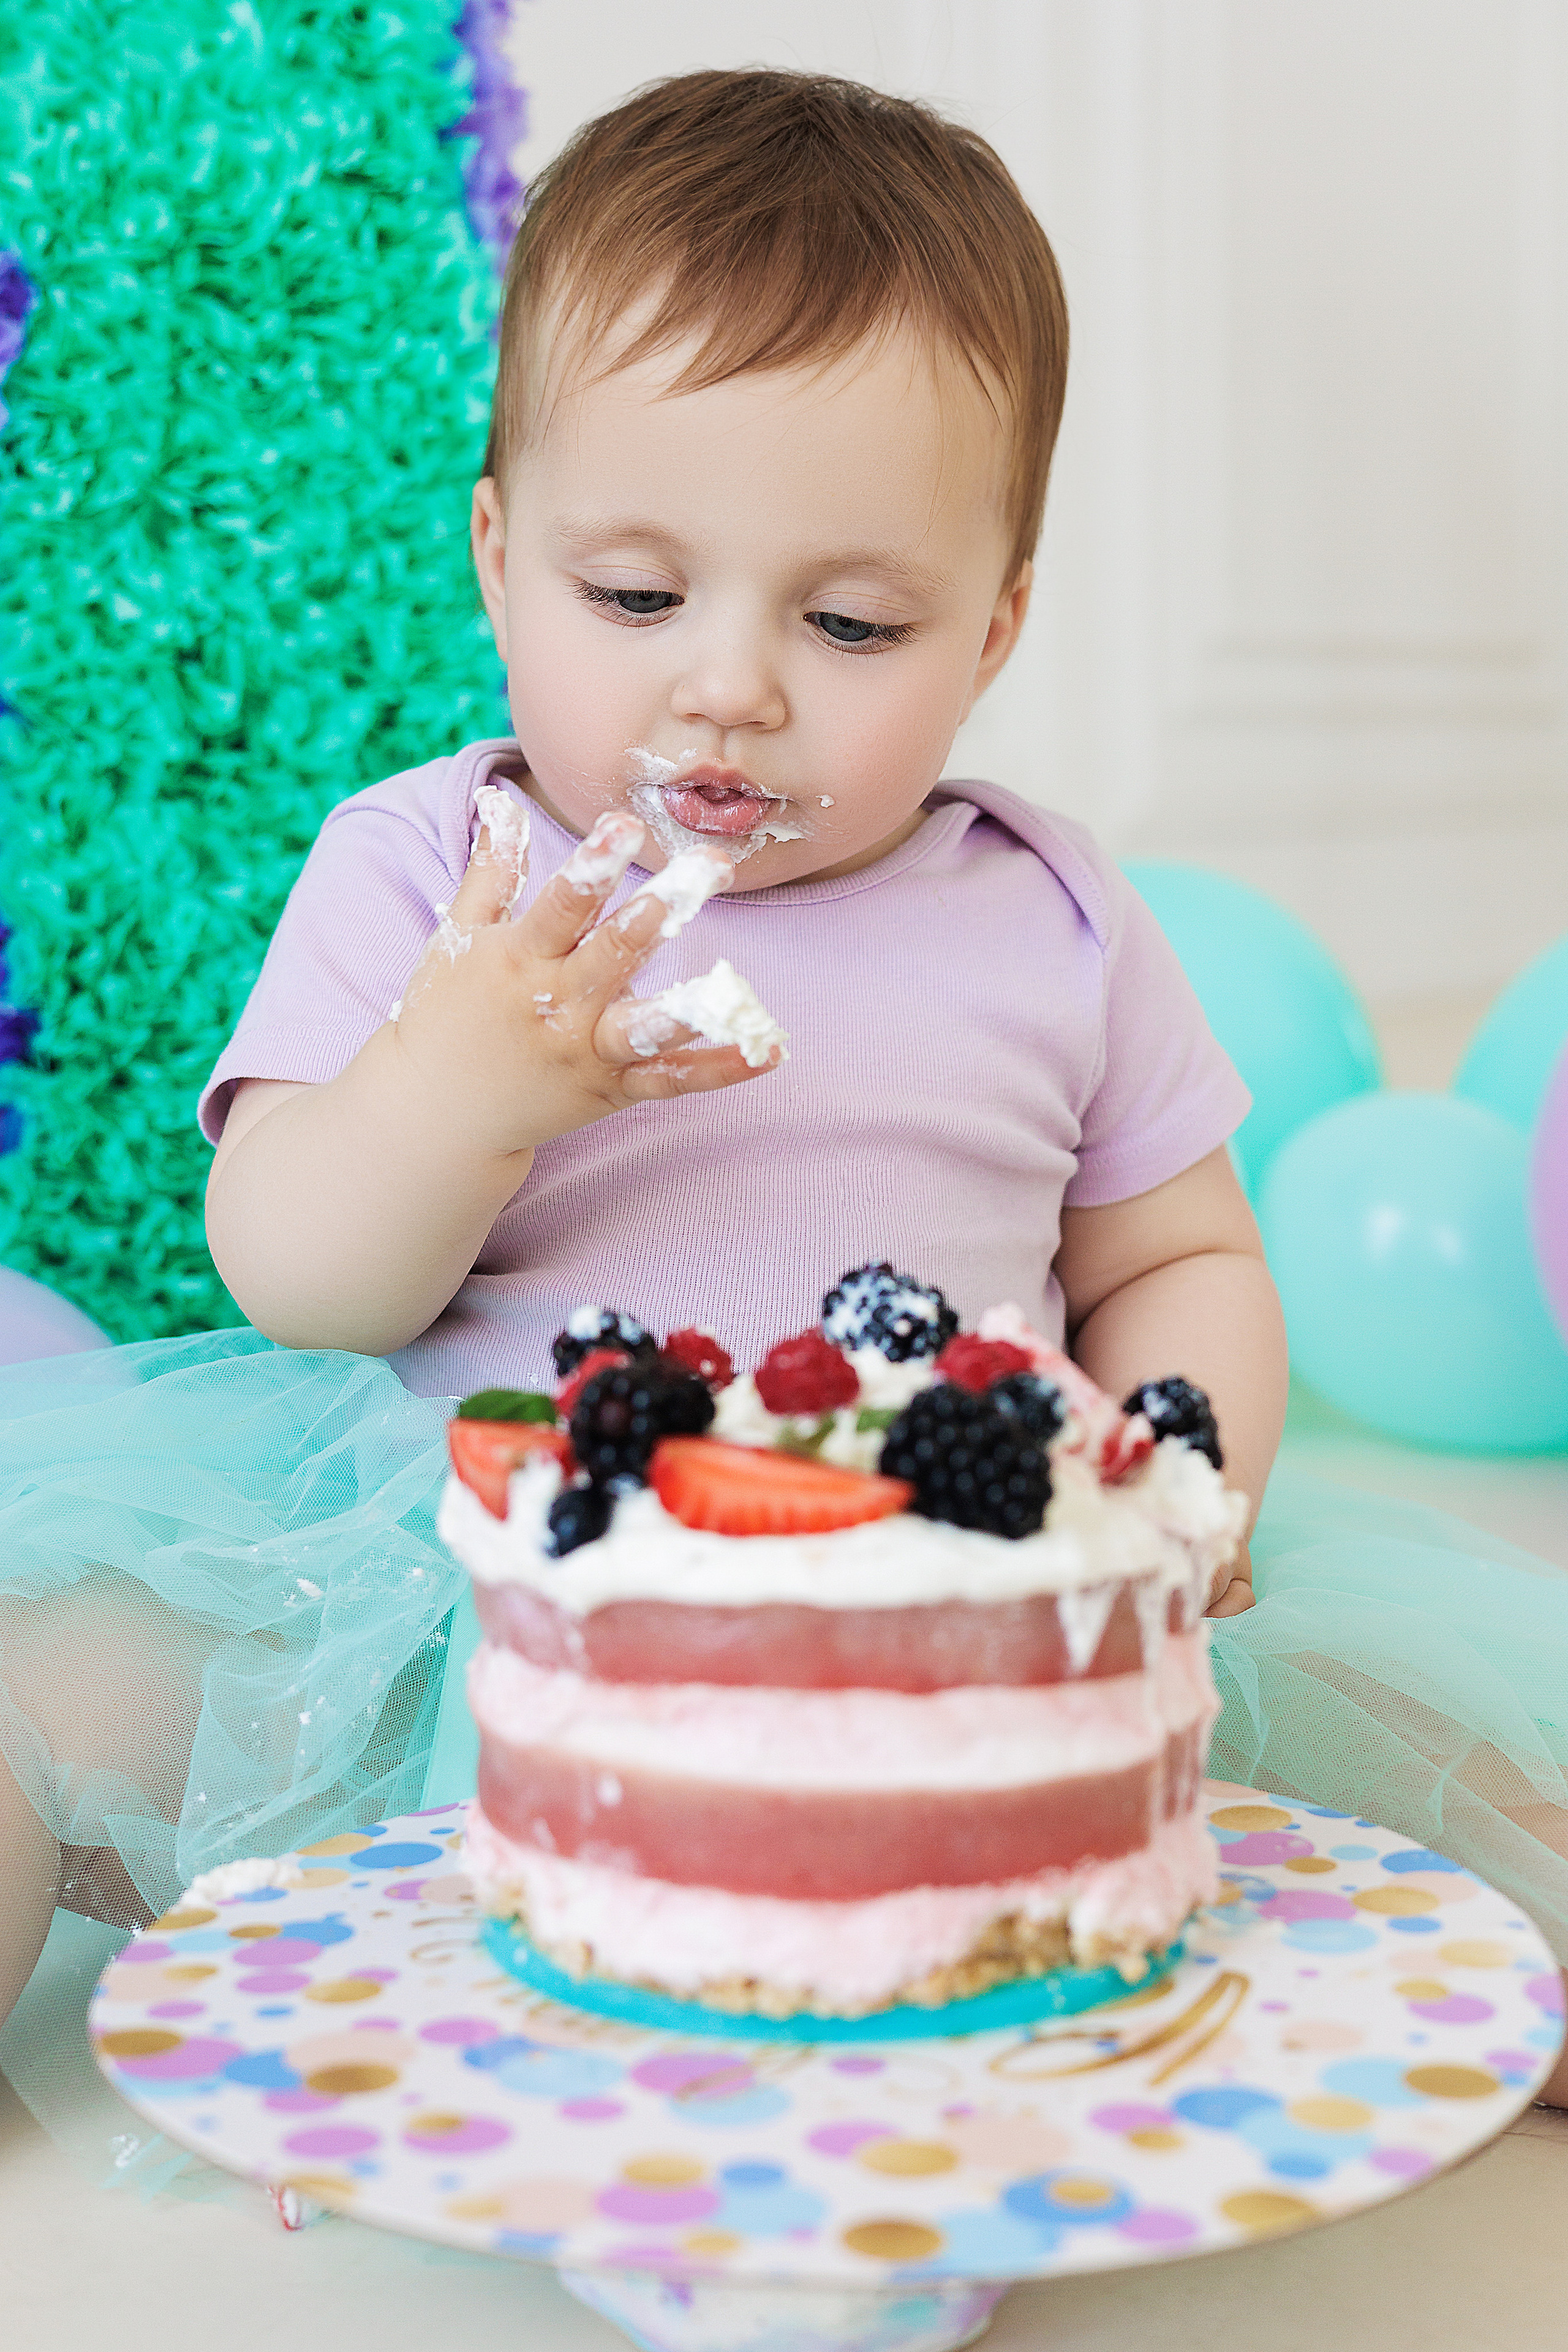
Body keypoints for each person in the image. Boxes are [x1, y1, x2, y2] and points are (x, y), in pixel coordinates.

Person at [1, 70, 1563, 2108]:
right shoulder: (440, 872)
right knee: (40, 1687)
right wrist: (445, 1093)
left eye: (850, 620)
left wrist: (1181, 1470)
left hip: (964, 1625)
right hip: (455, 1605)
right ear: (497, 556)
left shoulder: (1052, 912)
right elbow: (296, 1271)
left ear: (992, 628)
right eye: (635, 596)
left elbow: (1184, 1248)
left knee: (1445, 1769)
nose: (727, 681)